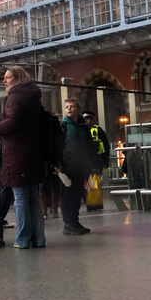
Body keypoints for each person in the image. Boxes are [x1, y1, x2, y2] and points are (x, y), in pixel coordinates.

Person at [0, 66, 46, 249]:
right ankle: (38, 239)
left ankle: (23, 239)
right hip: (33, 152)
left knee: (21, 198)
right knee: (33, 198)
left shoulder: (14, 97)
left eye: (7, 77)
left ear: (17, 78)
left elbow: (13, 122)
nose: (4, 81)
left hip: (17, 154)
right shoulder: (34, 97)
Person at [60, 98, 97, 235]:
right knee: (67, 195)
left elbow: (90, 145)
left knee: (77, 195)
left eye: (72, 106)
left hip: (81, 166)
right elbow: (59, 146)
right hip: (68, 166)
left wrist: (93, 163)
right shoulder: (63, 126)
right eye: (67, 107)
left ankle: (74, 221)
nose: (69, 109)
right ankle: (68, 223)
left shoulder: (83, 127)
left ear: (78, 109)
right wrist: (59, 165)